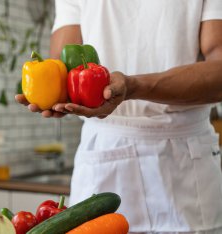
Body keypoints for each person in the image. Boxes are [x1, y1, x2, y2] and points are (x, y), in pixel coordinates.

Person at [16, 1, 222, 233]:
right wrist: (53, 94)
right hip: (104, 152)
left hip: (184, 160)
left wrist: (133, 86)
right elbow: (62, 66)